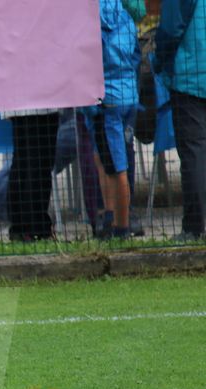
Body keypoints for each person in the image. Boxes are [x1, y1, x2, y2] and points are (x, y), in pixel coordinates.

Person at [84, 0, 142, 238]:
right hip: (128, 97)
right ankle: (112, 217)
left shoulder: (88, 21)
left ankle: (121, 227)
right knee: (111, 159)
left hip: (106, 100)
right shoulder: (126, 17)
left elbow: (86, 62)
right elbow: (136, 56)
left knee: (116, 167)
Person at [156, 0, 206, 241]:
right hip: (193, 73)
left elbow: (170, 28)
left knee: (194, 153)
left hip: (190, 76)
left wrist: (159, 60)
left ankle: (195, 226)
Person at [3, 108, 62, 241]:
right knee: (39, 162)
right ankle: (35, 228)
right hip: (42, 106)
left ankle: (19, 227)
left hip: (17, 106)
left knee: (22, 161)